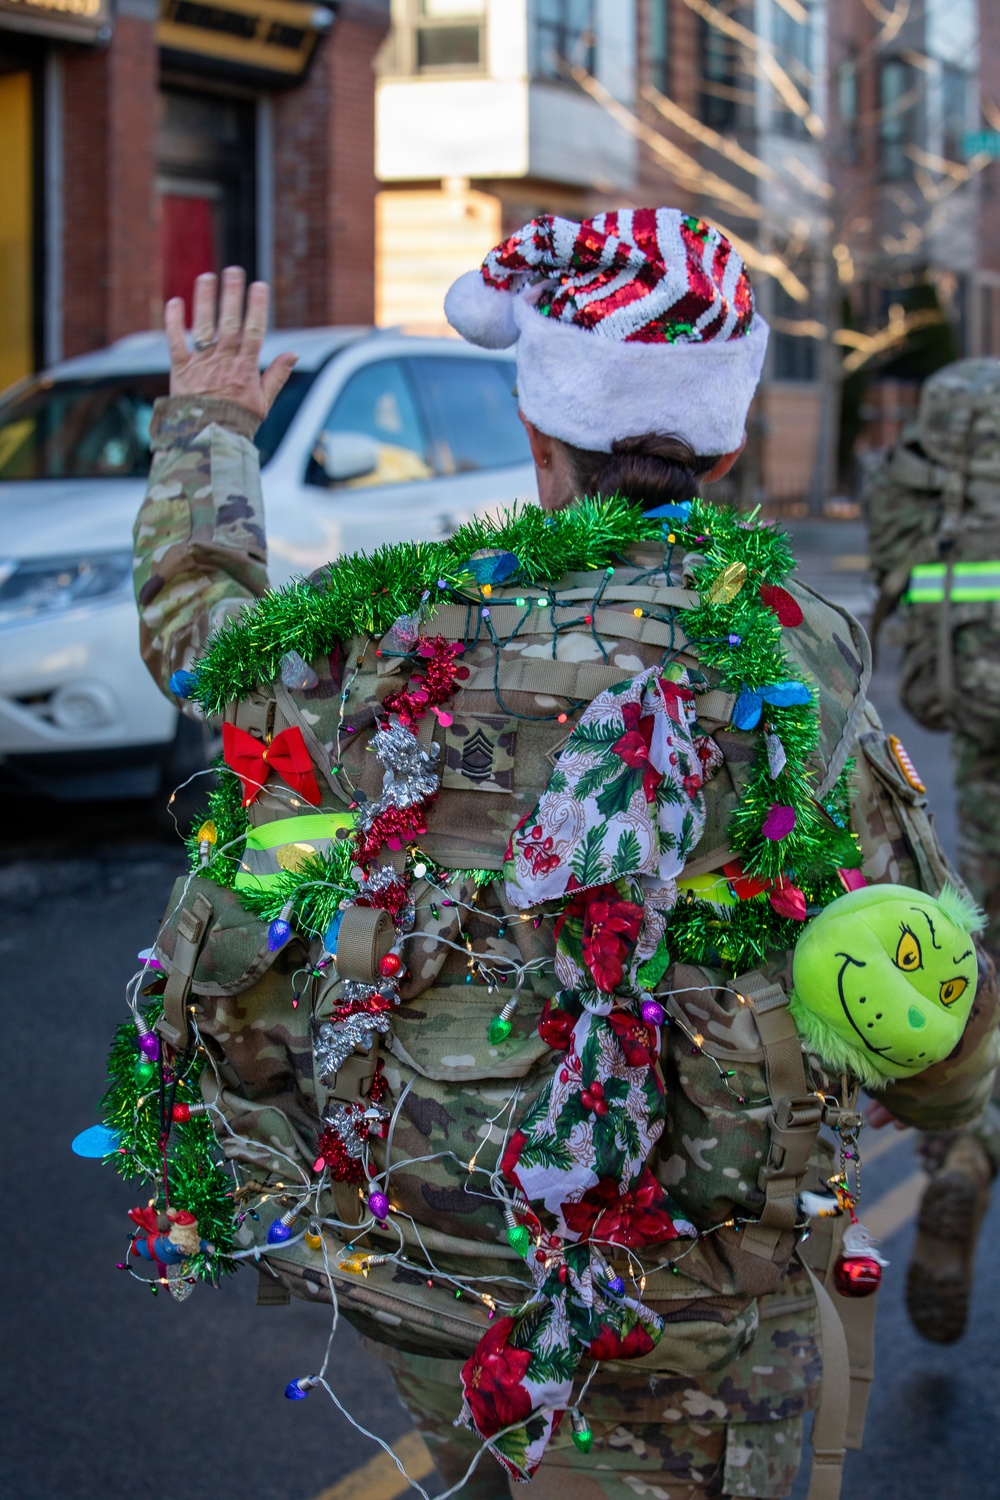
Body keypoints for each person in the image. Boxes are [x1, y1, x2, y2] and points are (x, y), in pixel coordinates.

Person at [117, 212, 997, 1500]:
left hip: (438, 1273)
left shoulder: (407, 631)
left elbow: (206, 642)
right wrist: (958, 1123)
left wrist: (212, 423)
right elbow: (900, 942)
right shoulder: (785, 650)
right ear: (730, 436)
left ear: (539, 438)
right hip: (689, 1306)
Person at [864, 359, 1000, 1343]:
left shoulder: (946, 429)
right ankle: (974, 1157)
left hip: (982, 716)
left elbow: (895, 558)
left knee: (985, 951)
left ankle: (963, 1149)